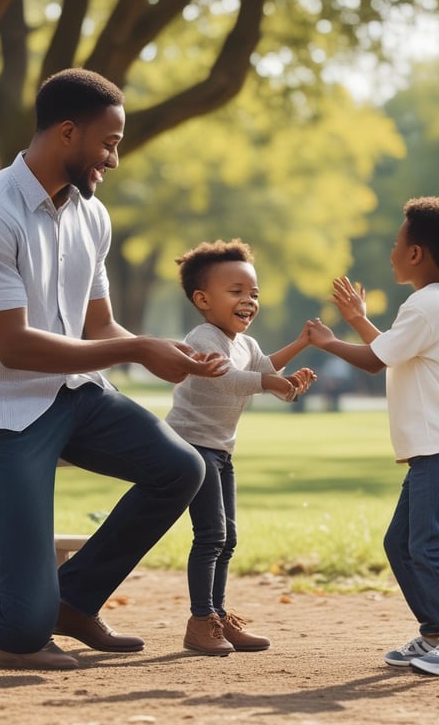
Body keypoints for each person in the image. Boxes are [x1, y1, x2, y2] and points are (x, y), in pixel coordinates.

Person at [0, 68, 229, 671]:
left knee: (180, 468)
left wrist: (164, 350)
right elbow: (14, 347)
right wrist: (137, 350)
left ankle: (74, 601)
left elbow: (100, 327)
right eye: (109, 143)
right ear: (67, 132)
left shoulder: (91, 216)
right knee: (19, 627)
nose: (113, 159)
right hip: (1, 411)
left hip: (76, 395)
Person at [307, 196, 439, 676]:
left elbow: (374, 360)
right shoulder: (433, 304)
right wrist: (358, 321)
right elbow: (391, 348)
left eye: (396, 243)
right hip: (433, 446)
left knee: (428, 544)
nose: (391, 251)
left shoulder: (426, 305)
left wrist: (330, 341)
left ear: (416, 254)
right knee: (400, 542)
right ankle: (435, 634)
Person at [165, 239, 316, 655]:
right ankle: (201, 621)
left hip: (220, 450)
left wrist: (298, 356)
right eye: (236, 292)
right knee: (210, 535)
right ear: (203, 299)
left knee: (228, 538)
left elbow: (266, 371)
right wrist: (272, 383)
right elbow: (231, 379)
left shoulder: (245, 344)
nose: (248, 300)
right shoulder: (203, 336)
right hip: (191, 448)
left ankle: (217, 614)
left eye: (253, 293)